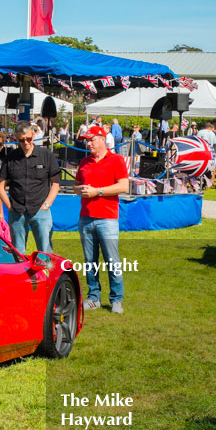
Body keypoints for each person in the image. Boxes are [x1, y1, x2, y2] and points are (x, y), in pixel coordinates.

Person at [74, 125, 130, 314]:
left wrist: (97, 191)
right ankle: (93, 297)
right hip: (86, 218)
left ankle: (116, 299)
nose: (88, 143)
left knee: (112, 261)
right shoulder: (84, 162)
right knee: (90, 261)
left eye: (91, 140)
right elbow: (76, 186)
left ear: (101, 139)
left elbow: (124, 186)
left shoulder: (116, 160)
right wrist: (80, 190)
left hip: (107, 218)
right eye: (86, 140)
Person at [0, 121, 60, 253]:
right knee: (18, 254)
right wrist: (9, 206)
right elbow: (0, 186)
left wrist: (47, 205)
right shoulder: (10, 158)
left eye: (29, 139)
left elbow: (55, 183)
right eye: (21, 140)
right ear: (16, 138)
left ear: (34, 135)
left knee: (46, 252)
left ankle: (48, 274)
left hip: (41, 210)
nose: (25, 142)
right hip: (17, 211)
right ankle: (22, 274)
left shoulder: (46, 155)